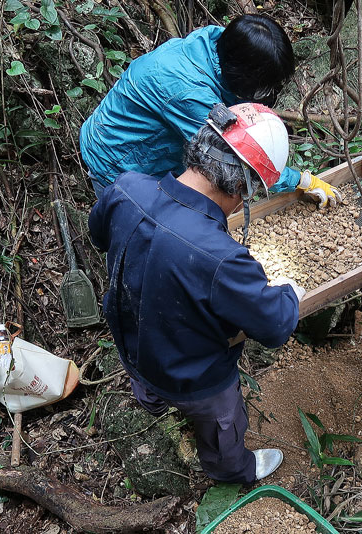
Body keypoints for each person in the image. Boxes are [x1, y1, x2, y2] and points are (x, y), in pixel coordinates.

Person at [88, 102, 305, 485]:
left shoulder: (126, 188)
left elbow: (98, 235)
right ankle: (232, 468)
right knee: (222, 419)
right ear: (242, 186)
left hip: (132, 340)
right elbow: (274, 327)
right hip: (195, 375)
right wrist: (291, 293)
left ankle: (152, 400)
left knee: (148, 381)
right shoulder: (222, 259)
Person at [80, 14, 341, 208]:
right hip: (116, 160)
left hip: (145, 144)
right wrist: (299, 180)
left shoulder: (219, 42)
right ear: (241, 75)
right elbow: (239, 156)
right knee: (143, 235)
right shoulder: (189, 93)